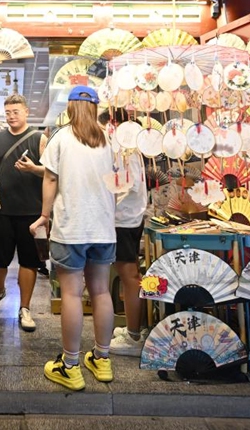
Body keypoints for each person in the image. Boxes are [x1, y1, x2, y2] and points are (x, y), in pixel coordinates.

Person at [29, 86, 116, 391]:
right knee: (101, 292)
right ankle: (102, 359)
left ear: (69, 108)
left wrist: (43, 215)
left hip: (72, 227)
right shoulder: (109, 138)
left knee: (71, 294)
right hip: (104, 227)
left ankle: (70, 366)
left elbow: (50, 178)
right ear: (95, 108)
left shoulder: (61, 138)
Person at [0, 94, 47, 331]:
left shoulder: (40, 139)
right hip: (2, 210)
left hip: (33, 211)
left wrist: (33, 169)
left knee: (30, 261)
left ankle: (25, 307)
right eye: (8, 112)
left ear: (26, 112)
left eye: (16, 111)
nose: (11, 116)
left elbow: (52, 173)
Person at [109, 149, 149, 356]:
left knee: (129, 275)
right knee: (131, 275)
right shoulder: (131, 147)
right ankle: (133, 329)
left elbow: (127, 185)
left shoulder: (123, 148)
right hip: (131, 216)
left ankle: (133, 336)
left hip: (122, 218)